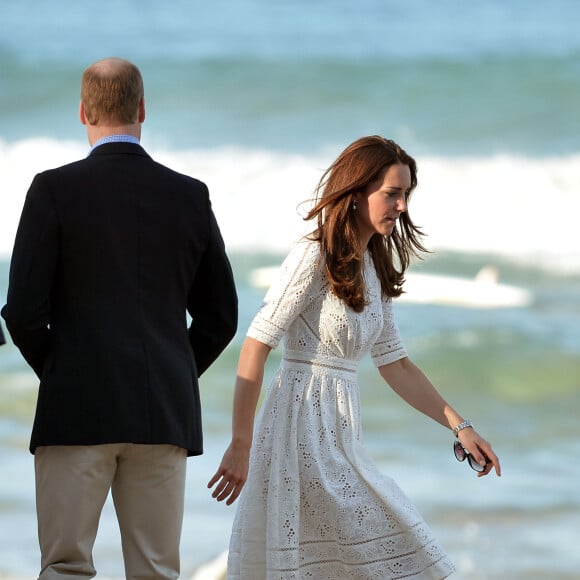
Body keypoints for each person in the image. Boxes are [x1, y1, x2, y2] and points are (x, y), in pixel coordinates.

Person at [208, 135, 501, 579]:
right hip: (296, 435)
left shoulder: (374, 267)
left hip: (342, 438)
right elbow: (256, 344)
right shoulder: (314, 255)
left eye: (405, 195)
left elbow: (396, 363)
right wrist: (241, 444)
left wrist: (460, 426)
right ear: (357, 191)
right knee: (388, 548)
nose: (401, 206)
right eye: (392, 193)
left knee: (368, 558)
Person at [1, 57, 238, 579]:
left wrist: (63, 371)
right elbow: (221, 318)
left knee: (64, 567)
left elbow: (21, 312)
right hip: (161, 415)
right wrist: (169, 373)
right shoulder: (189, 195)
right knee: (156, 572)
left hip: (76, 411)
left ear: (83, 111)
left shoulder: (52, 190)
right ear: (142, 109)